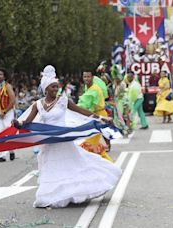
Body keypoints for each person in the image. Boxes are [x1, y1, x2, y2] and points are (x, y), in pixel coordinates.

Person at [20, 65, 121, 208]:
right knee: (52, 170)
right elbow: (28, 121)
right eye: (53, 87)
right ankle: (52, 196)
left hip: (63, 141)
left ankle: (73, 194)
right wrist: (18, 124)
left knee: (70, 166)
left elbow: (81, 111)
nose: (56, 89)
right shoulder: (38, 105)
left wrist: (100, 118)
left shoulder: (63, 101)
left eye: (57, 86)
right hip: (49, 144)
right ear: (46, 88)